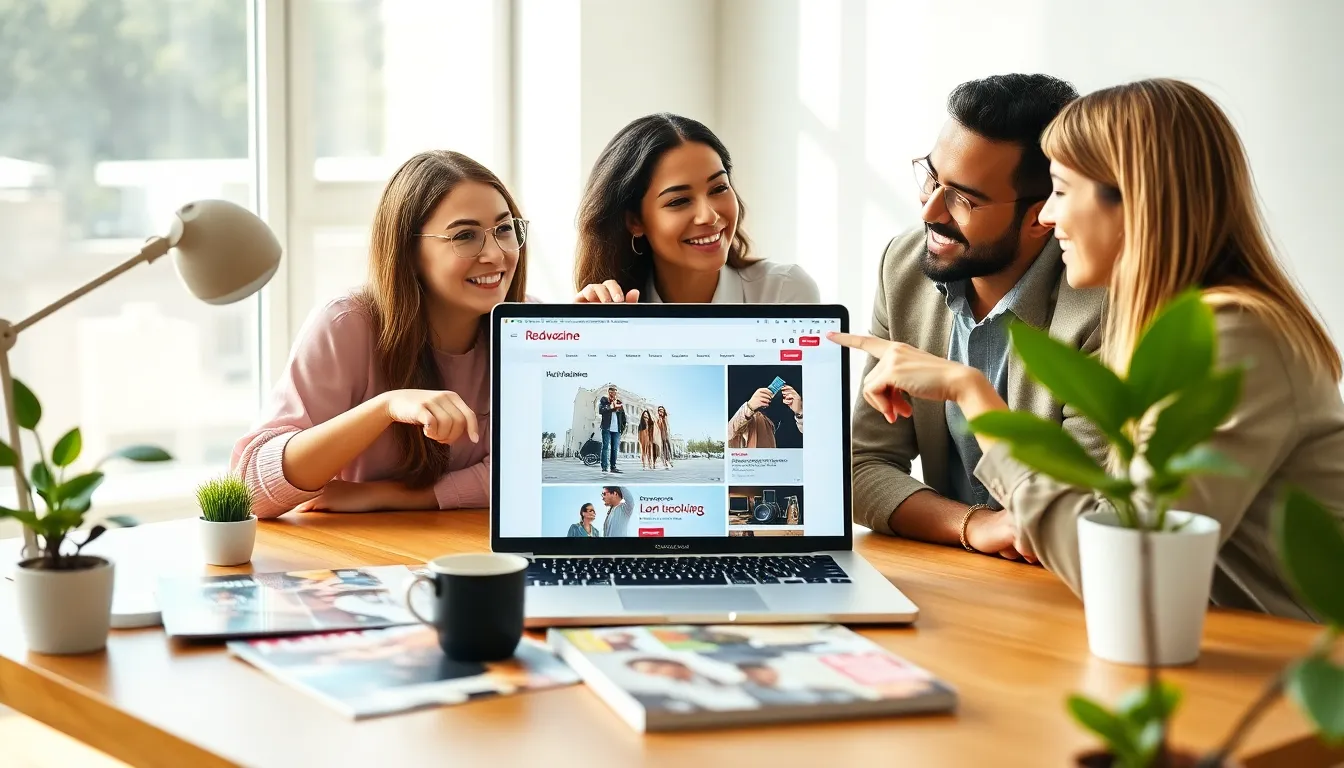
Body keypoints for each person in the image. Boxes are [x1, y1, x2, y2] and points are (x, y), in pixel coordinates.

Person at [833, 78, 1344, 621]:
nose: (1048, 218)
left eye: (1061, 190)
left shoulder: (1230, 338)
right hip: (1203, 639)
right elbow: (1113, 528)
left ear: (1135, 202)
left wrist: (972, 393)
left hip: (1293, 662)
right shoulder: (1170, 326)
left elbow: (1120, 569)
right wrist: (973, 523)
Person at [841, 74, 1105, 561]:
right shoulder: (904, 266)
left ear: (1040, 214)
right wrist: (973, 526)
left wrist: (966, 386)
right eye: (931, 177)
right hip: (955, 571)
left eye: (964, 198)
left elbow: (1080, 522)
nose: (930, 211)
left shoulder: (1101, 310)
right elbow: (859, 467)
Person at [231, 150, 531, 517]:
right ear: (409, 251)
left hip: (476, 556)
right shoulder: (346, 325)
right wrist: (385, 407)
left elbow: (530, 471)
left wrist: (392, 495)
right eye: (465, 236)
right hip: (367, 560)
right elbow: (250, 491)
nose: (496, 254)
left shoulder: (527, 328)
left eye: (503, 229)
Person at [574, 113, 820, 305]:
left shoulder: (784, 291)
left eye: (718, 188)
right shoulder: (612, 310)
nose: (709, 215)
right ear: (634, 220)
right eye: (679, 201)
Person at [598, 386, 627, 474]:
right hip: (606, 428)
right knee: (605, 447)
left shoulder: (619, 403)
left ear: (616, 393)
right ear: (608, 392)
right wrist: (611, 407)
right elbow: (601, 410)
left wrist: (621, 428)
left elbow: (623, 418)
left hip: (616, 429)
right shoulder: (604, 401)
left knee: (614, 449)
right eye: (611, 392)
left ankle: (613, 467)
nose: (613, 394)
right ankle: (604, 467)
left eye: (614, 392)